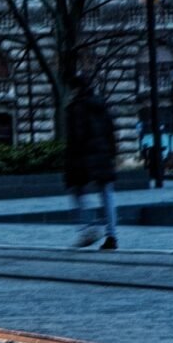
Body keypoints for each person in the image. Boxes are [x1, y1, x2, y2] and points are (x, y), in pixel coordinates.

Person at [65, 75, 119, 250]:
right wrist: (112, 153)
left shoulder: (76, 107)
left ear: (76, 89)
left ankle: (88, 228)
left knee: (77, 191)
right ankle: (112, 236)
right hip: (104, 154)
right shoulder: (101, 104)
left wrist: (72, 160)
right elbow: (111, 130)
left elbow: (76, 135)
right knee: (107, 192)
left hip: (84, 156)